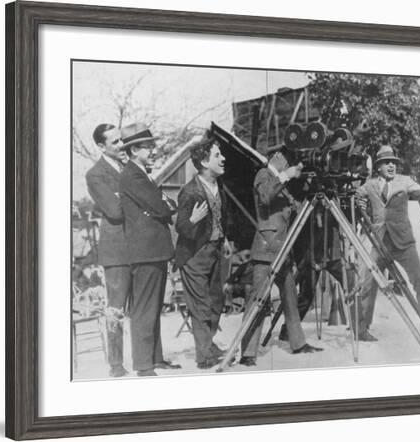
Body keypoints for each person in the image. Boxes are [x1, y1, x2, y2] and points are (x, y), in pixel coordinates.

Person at [239, 147, 323, 367]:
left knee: (290, 297)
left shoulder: (281, 183)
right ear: (276, 157)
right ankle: (247, 352)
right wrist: (287, 176)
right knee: (258, 300)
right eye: (286, 161)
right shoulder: (264, 175)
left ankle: (298, 343)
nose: (287, 166)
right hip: (267, 249)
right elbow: (266, 198)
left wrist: (310, 188)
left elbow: (295, 208)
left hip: (284, 249)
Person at [354, 145, 420, 342]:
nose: (391, 165)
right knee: (367, 283)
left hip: (403, 242)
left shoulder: (405, 181)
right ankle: (362, 329)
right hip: (378, 242)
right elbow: (357, 197)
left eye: (393, 162)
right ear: (378, 167)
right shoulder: (370, 184)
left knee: (418, 279)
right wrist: (361, 207)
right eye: (386, 163)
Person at [119, 123, 181, 376]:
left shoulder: (139, 173)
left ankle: (155, 359)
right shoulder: (133, 175)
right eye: (148, 146)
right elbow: (162, 206)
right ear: (134, 150)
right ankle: (144, 365)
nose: (154, 150)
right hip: (145, 252)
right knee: (145, 308)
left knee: (153, 307)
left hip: (153, 250)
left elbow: (164, 204)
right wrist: (162, 205)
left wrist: (163, 205)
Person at [175, 137, 233, 369]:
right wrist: (192, 220)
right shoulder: (189, 192)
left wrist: (225, 237)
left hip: (215, 250)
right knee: (201, 306)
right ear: (203, 162)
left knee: (216, 302)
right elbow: (181, 227)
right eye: (217, 155)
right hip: (194, 256)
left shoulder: (221, 186)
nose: (223, 159)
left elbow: (221, 217)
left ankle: (208, 344)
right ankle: (204, 356)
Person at [85, 123, 131, 377]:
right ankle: (116, 364)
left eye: (122, 139)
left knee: (145, 305)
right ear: (101, 146)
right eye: (115, 142)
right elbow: (114, 211)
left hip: (138, 246)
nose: (122, 145)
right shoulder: (95, 174)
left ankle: (150, 359)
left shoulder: (129, 168)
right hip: (116, 251)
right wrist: (132, 195)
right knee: (116, 309)